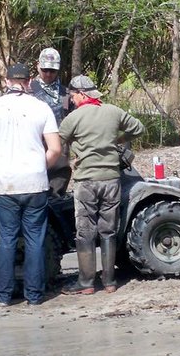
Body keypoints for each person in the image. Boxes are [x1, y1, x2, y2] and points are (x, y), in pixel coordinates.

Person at [0, 63, 62, 306]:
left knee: (7, 239)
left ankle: (3, 296)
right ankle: (34, 296)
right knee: (35, 239)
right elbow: (55, 149)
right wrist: (40, 166)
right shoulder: (41, 107)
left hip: (7, 184)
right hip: (35, 183)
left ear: (6, 81)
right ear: (29, 81)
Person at [58, 75, 145, 294]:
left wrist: (70, 160)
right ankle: (109, 282)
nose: (72, 99)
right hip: (111, 179)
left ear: (81, 94)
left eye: (73, 95)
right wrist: (118, 139)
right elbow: (138, 128)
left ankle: (86, 283)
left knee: (85, 231)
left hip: (86, 181)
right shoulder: (113, 112)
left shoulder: (73, 118)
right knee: (108, 230)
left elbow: (57, 144)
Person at [30, 47, 69, 124]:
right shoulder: (29, 90)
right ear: (38, 66)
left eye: (52, 70)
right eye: (45, 70)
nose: (48, 74)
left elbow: (66, 114)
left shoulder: (65, 93)